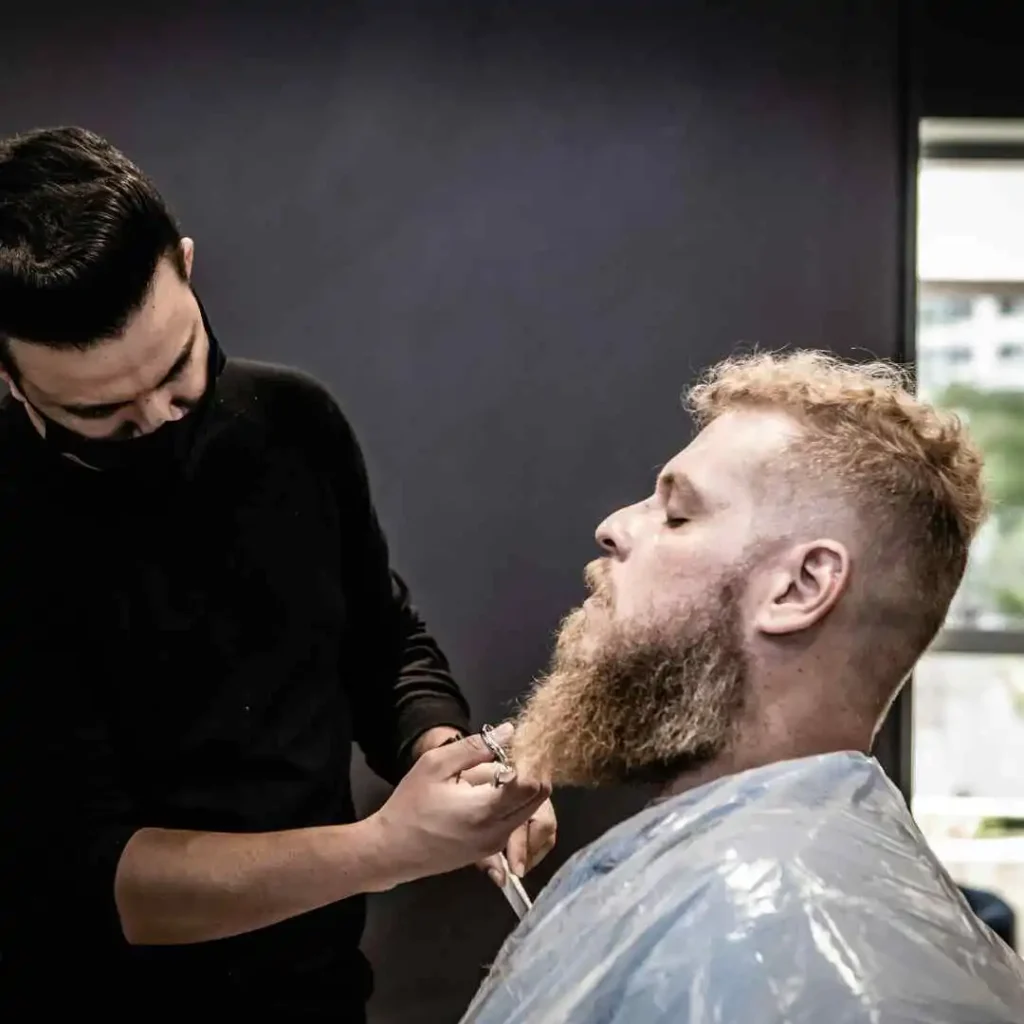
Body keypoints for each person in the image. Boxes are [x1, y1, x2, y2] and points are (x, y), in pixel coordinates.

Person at [0, 126, 556, 1019]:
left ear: (184, 267)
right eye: (102, 414)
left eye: (181, 369)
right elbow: (105, 881)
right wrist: (390, 846)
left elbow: (380, 642)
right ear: (10, 374)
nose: (162, 422)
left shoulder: (292, 424)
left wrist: (446, 759)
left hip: (316, 990)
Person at [462, 351, 1024, 1024]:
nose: (614, 527)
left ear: (800, 588)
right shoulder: (751, 887)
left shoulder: (781, 947)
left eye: (677, 515)